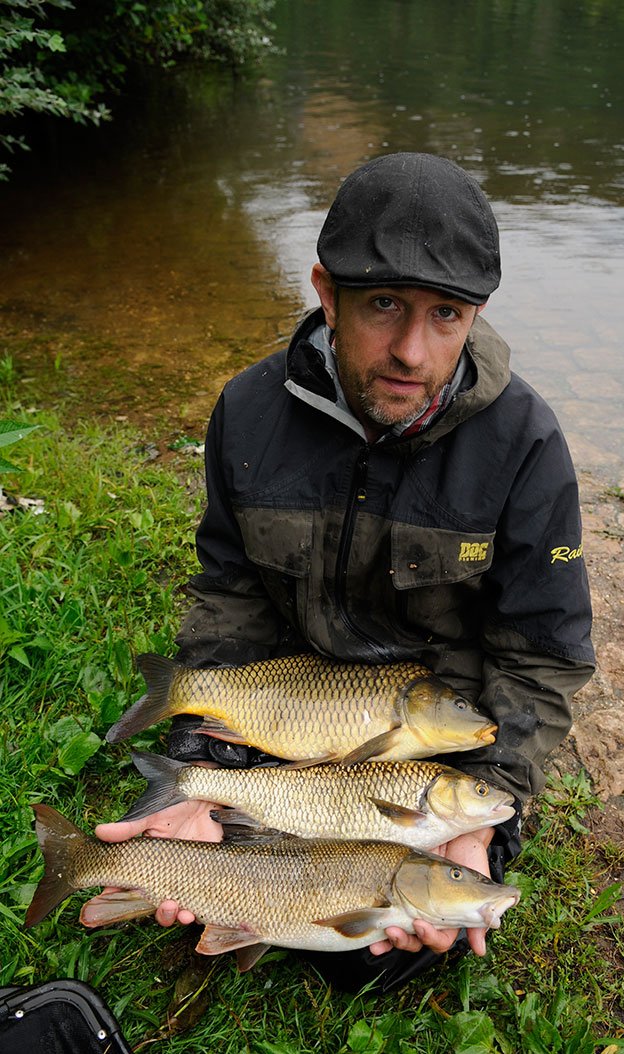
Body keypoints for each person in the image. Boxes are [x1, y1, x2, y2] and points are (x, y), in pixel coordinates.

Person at [96, 152, 595, 992]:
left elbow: (543, 655)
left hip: (434, 736)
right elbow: (231, 591)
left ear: (475, 315)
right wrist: (202, 747)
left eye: (447, 315)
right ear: (328, 293)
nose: (412, 350)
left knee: (371, 956)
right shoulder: (249, 411)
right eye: (385, 305)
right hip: (293, 709)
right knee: (233, 879)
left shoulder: (525, 445)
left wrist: (484, 800)